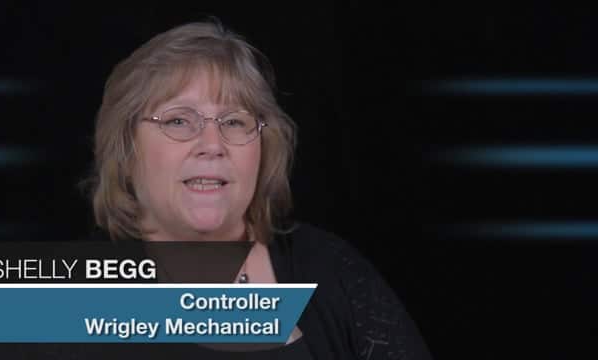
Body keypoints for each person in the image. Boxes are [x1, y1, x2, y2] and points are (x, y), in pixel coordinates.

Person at [86, 19, 433, 360]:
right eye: (179, 120)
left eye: (234, 122)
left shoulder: (335, 273)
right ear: (126, 148)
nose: (212, 144)